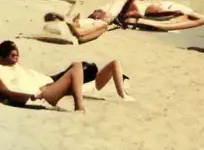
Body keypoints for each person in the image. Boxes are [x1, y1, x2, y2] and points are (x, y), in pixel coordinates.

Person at [0, 40, 129, 107]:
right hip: (45, 89)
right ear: (2, 57)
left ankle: (116, 86)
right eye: (13, 56)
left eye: (17, 55)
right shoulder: (3, 70)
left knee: (84, 67)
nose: (16, 58)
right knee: (80, 67)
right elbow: (7, 92)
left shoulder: (13, 66)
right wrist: (30, 97)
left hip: (47, 82)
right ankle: (80, 105)